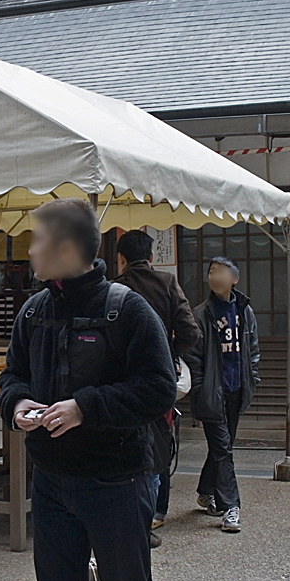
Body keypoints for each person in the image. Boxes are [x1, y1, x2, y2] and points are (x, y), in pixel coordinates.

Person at [0, 197, 177, 581]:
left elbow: (159, 387)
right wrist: (17, 404)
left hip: (116, 481)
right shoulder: (34, 310)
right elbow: (13, 375)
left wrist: (85, 407)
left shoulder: (127, 309)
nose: (31, 250)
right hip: (51, 481)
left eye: (38, 240)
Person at [112, 229, 197, 537]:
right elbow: (190, 333)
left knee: (125, 443)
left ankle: (129, 512)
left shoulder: (114, 289)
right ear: (150, 257)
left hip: (122, 381)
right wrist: (168, 353)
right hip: (161, 380)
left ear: (121, 259)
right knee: (161, 443)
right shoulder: (167, 283)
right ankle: (157, 511)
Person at [193, 257, 252, 532]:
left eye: (221, 272)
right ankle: (231, 507)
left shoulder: (243, 310)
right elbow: (193, 357)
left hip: (236, 388)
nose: (215, 276)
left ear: (235, 279)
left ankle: (207, 490)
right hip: (211, 392)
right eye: (211, 272)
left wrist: (254, 377)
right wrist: (200, 389)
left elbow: (252, 347)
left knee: (222, 448)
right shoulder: (201, 314)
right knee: (223, 448)